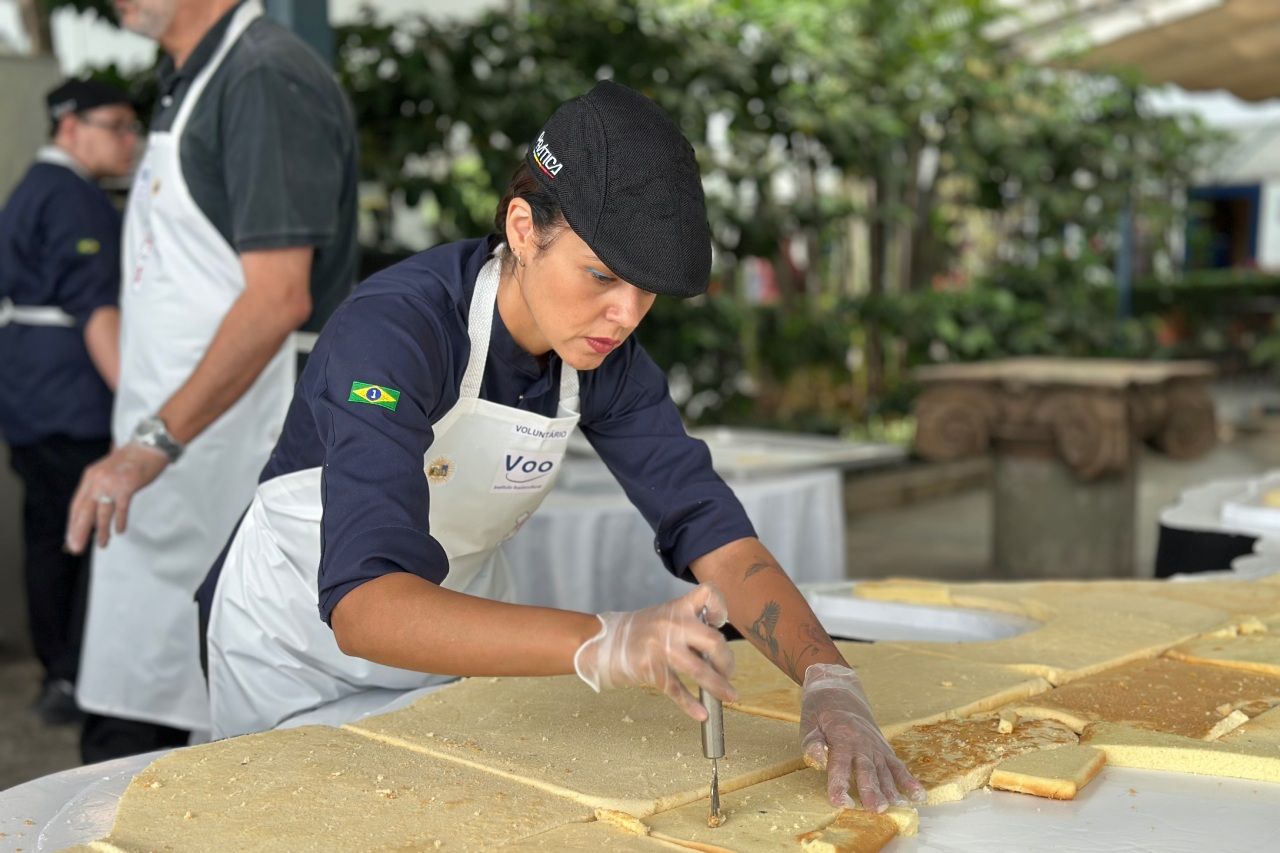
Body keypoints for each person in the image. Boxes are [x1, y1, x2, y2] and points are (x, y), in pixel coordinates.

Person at [197, 81, 924, 812]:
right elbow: (365, 608)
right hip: (295, 655)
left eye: (645, 294)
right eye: (602, 276)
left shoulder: (604, 359)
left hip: (462, 645)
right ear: (522, 227)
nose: (624, 315)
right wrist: (606, 640)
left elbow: (716, 534)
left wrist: (830, 679)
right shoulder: (394, 333)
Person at [64, 0, 359, 764]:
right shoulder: (185, 78)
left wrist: (151, 443)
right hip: (167, 466)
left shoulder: (263, 76)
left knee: (205, 741)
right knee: (134, 723)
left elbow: (277, 298)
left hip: (227, 452)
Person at [0, 79, 138, 725]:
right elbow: (95, 310)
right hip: (70, 396)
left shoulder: (35, 187)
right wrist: (142, 412)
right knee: (80, 534)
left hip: (31, 393)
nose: (130, 142)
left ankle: (59, 671)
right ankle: (73, 675)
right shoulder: (72, 198)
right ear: (70, 127)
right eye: (116, 126)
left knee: (50, 532)